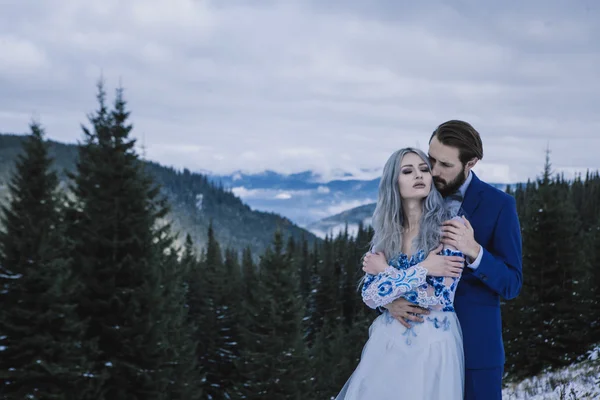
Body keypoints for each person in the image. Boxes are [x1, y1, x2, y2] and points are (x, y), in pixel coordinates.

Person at [384, 120, 523, 400]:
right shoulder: (414, 193)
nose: (433, 171)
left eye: (445, 165)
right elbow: (382, 268)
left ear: (471, 163)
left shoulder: (499, 205)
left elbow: (512, 283)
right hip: (415, 347)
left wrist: (475, 251)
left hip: (475, 351)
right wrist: (389, 301)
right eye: (430, 159)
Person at [335, 147, 468, 399]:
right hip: (389, 344)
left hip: (433, 344)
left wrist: (385, 271)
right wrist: (423, 271)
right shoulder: (387, 235)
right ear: (393, 183)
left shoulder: (450, 228)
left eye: (424, 169)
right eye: (407, 171)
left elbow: (438, 297)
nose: (419, 175)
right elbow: (370, 294)